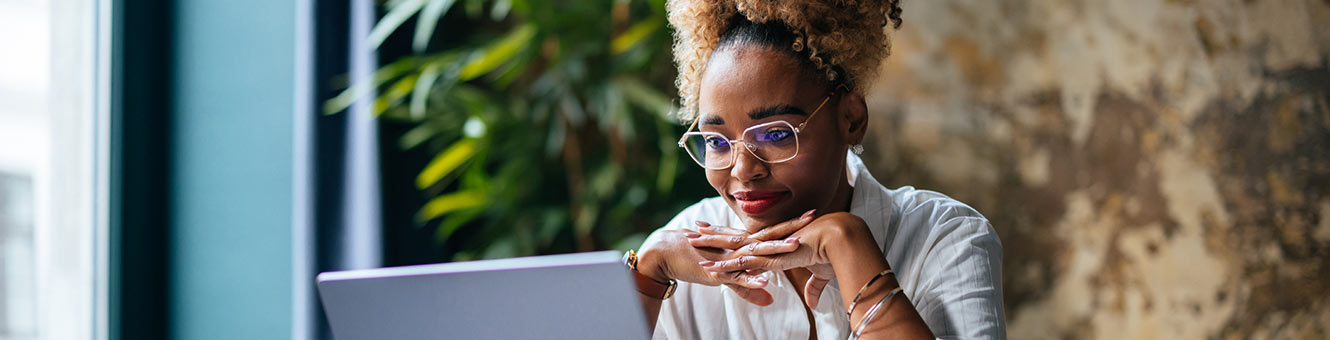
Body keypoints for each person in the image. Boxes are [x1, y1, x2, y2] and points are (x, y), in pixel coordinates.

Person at [623, 0, 1006, 339]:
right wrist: (647, 274)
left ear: (851, 119)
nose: (744, 169)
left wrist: (850, 245)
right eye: (716, 142)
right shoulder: (683, 250)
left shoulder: (946, 239)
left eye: (775, 134)